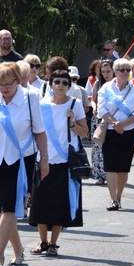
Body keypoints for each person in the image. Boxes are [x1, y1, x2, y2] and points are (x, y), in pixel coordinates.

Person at [0, 63, 48, 266]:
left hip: (21, 159)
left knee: (10, 207)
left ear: (18, 80)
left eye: (8, 83)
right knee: (0, 210)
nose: (3, 88)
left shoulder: (30, 98)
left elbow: (40, 131)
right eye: (0, 84)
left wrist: (45, 160)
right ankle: (19, 249)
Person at [29, 70, 89, 256]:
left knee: (59, 204)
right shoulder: (41, 104)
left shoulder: (75, 104)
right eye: (57, 82)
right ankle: (43, 242)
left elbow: (84, 132)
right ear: (51, 84)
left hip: (65, 161)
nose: (61, 85)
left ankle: (54, 243)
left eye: (65, 82)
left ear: (69, 86)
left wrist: (72, 123)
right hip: (43, 159)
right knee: (40, 203)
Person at [98, 58, 134, 210]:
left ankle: (118, 196)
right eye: (122, 70)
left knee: (123, 168)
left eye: (128, 70)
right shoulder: (106, 88)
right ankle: (112, 199)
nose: (125, 73)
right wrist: (114, 124)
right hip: (110, 132)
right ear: (115, 71)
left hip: (128, 132)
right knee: (110, 166)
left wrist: (123, 125)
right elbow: (101, 109)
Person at [90, 60, 115, 185]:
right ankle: (99, 175)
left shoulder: (117, 85)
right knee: (98, 146)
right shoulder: (98, 84)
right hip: (99, 119)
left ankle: (111, 174)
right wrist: (94, 107)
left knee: (110, 147)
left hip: (113, 119)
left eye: (108, 71)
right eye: (103, 72)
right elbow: (93, 100)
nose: (105, 74)